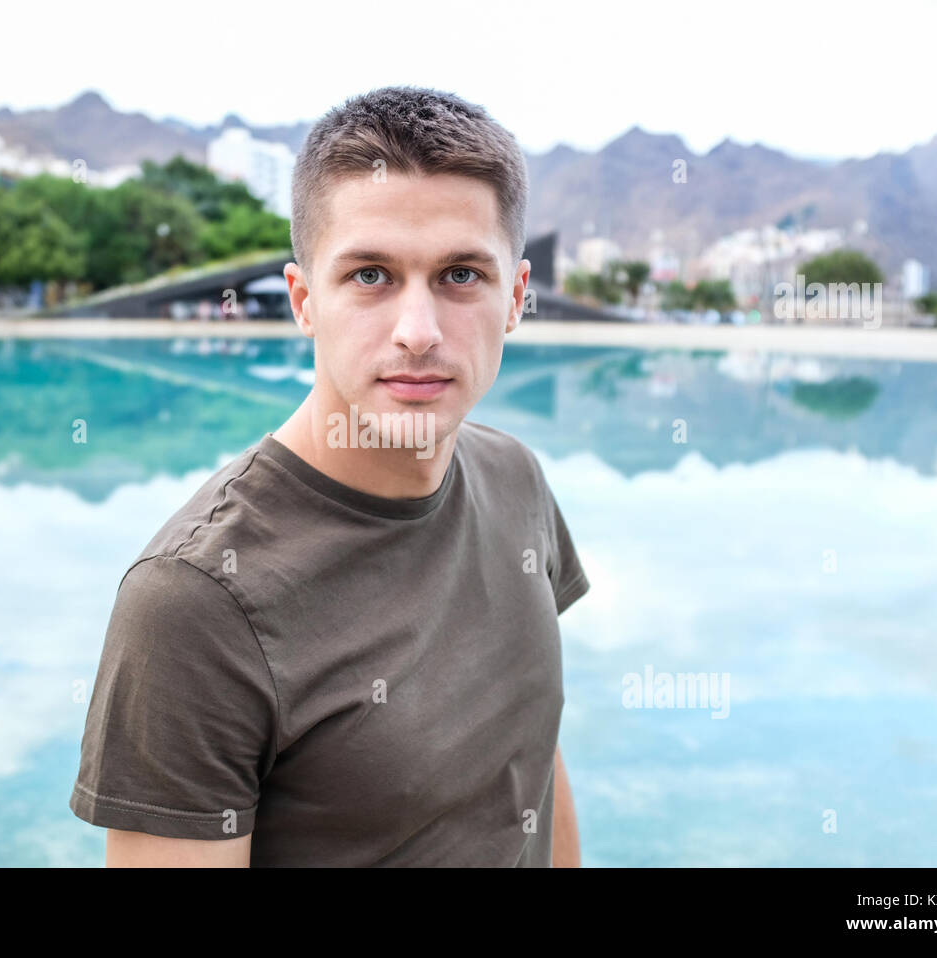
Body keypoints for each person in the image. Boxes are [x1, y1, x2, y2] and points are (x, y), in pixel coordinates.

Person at [69, 86, 589, 867]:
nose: (419, 333)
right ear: (305, 300)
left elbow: (532, 761)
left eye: (460, 276)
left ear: (515, 298)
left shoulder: (515, 479)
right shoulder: (192, 603)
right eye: (371, 276)